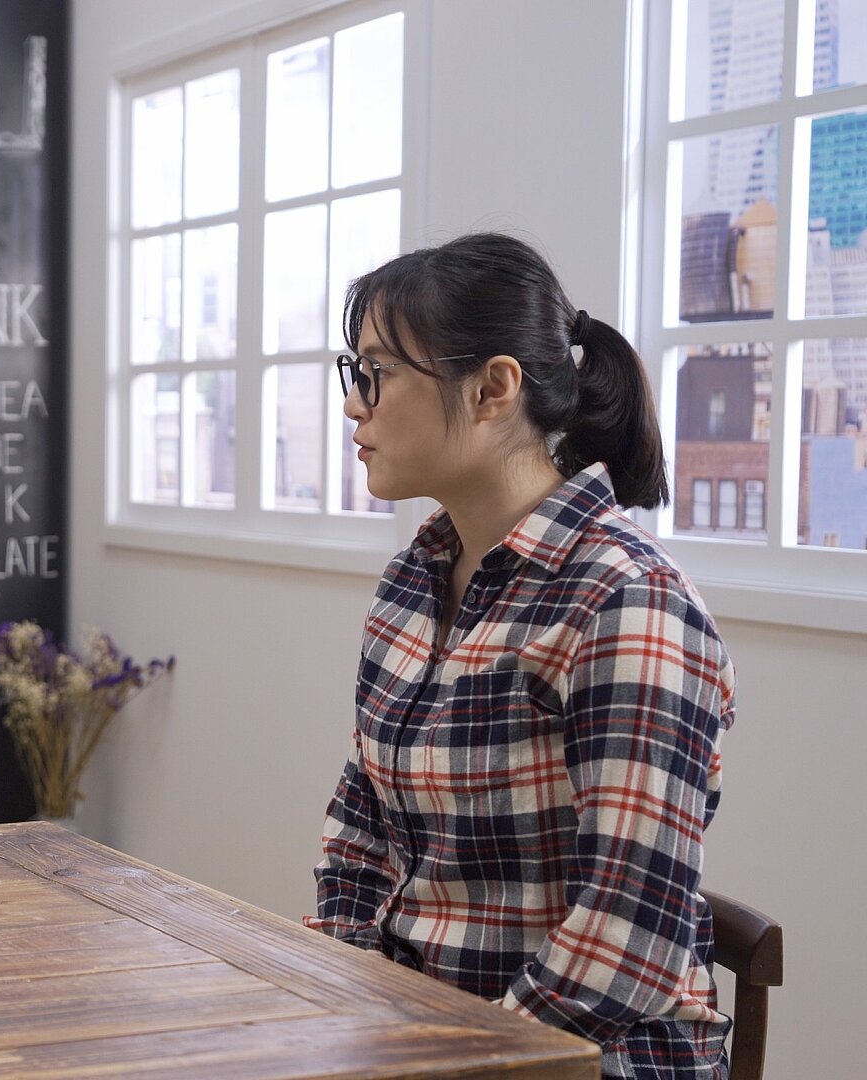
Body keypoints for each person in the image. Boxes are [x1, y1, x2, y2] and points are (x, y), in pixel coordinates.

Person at [307, 233, 735, 1078]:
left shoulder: (627, 600)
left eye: (376, 374)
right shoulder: (411, 581)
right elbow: (359, 834)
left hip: (587, 1058)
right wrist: (339, 995)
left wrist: (461, 1061)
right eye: (353, 372)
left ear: (493, 388)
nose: (354, 405)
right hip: (421, 1040)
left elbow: (627, 939)